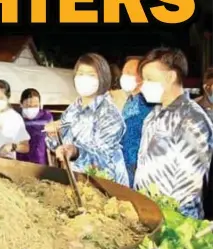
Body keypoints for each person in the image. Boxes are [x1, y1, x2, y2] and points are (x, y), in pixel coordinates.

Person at [135, 48, 213, 219]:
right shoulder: (152, 116)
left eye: (150, 79)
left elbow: (190, 186)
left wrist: (170, 221)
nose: (143, 86)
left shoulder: (191, 119)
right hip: (149, 214)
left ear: (170, 77)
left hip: (174, 220)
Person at [45, 53, 129, 186]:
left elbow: (105, 160)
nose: (84, 79)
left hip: (105, 188)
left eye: (91, 75)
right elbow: (60, 145)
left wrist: (76, 152)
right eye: (80, 74)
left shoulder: (109, 114)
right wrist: (54, 136)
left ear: (103, 78)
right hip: (76, 183)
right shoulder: (73, 108)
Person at [118, 57, 154, 187]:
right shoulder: (130, 100)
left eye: (128, 72)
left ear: (141, 76)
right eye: (123, 72)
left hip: (137, 167)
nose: (124, 76)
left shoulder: (147, 103)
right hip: (125, 165)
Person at [17, 88, 53, 165]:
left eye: (35, 106)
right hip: (19, 161)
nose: (32, 109)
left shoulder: (46, 117)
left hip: (40, 160)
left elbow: (52, 139)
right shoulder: (15, 118)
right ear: (21, 104)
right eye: (28, 106)